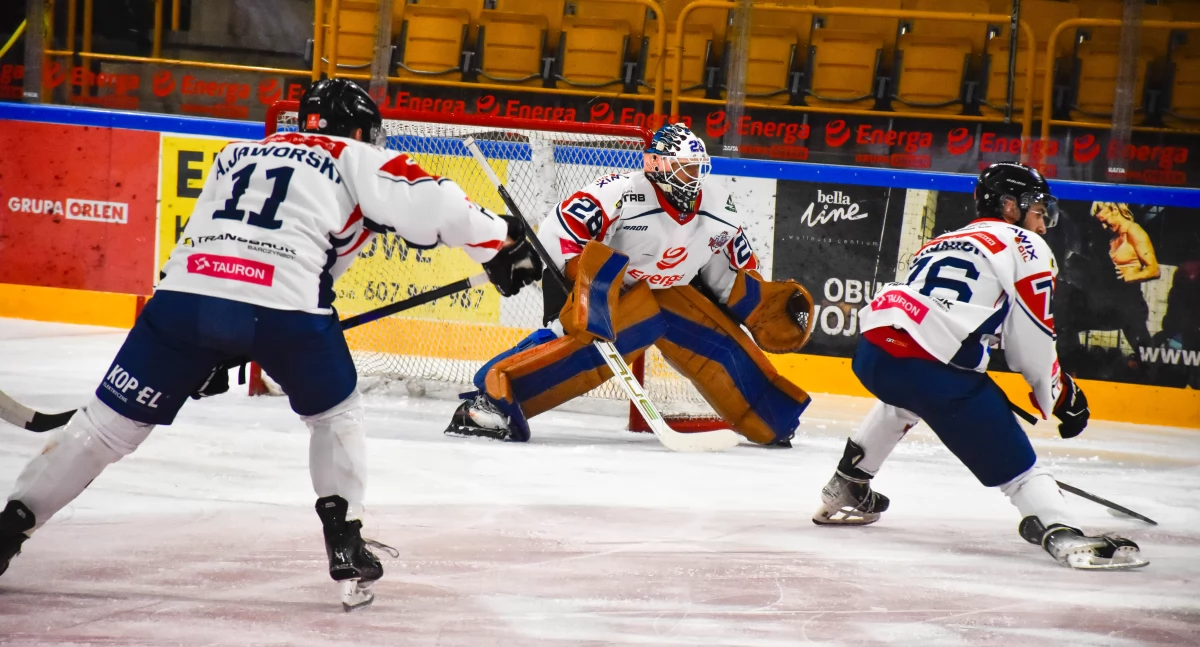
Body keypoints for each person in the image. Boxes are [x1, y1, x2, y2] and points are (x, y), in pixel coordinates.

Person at [0, 79, 543, 608]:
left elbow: (200, 238)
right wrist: (504, 241)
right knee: (335, 415)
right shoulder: (354, 156)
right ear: (359, 129)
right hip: (286, 306)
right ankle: (345, 538)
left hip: (183, 299)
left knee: (101, 430)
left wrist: (207, 343)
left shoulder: (237, 155)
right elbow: (441, 209)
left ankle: (9, 529)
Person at [811, 163, 1148, 570]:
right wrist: (1058, 393)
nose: (1044, 224)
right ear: (1009, 206)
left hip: (874, 352)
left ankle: (848, 483)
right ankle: (1064, 534)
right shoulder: (1026, 245)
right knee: (1019, 471)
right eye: (1038, 211)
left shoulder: (944, 239)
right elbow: (1032, 338)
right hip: (931, 368)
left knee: (906, 397)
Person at [443, 123, 815, 446]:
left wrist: (753, 300)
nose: (692, 178)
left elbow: (727, 268)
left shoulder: (719, 207)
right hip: (604, 291)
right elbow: (561, 232)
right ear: (657, 166)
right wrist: (586, 284)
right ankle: (489, 403)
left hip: (666, 293)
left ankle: (770, 416)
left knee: (715, 342)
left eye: (696, 169)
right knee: (590, 342)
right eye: (682, 169)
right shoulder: (621, 193)